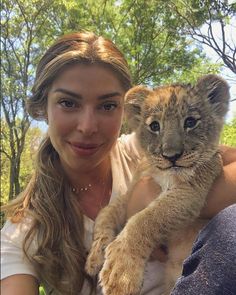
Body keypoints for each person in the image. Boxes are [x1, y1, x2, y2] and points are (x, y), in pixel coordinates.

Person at [1, 31, 236, 295]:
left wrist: (145, 202)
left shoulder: (140, 149)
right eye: (68, 103)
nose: (88, 126)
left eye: (108, 106)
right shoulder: (21, 232)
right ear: (43, 108)